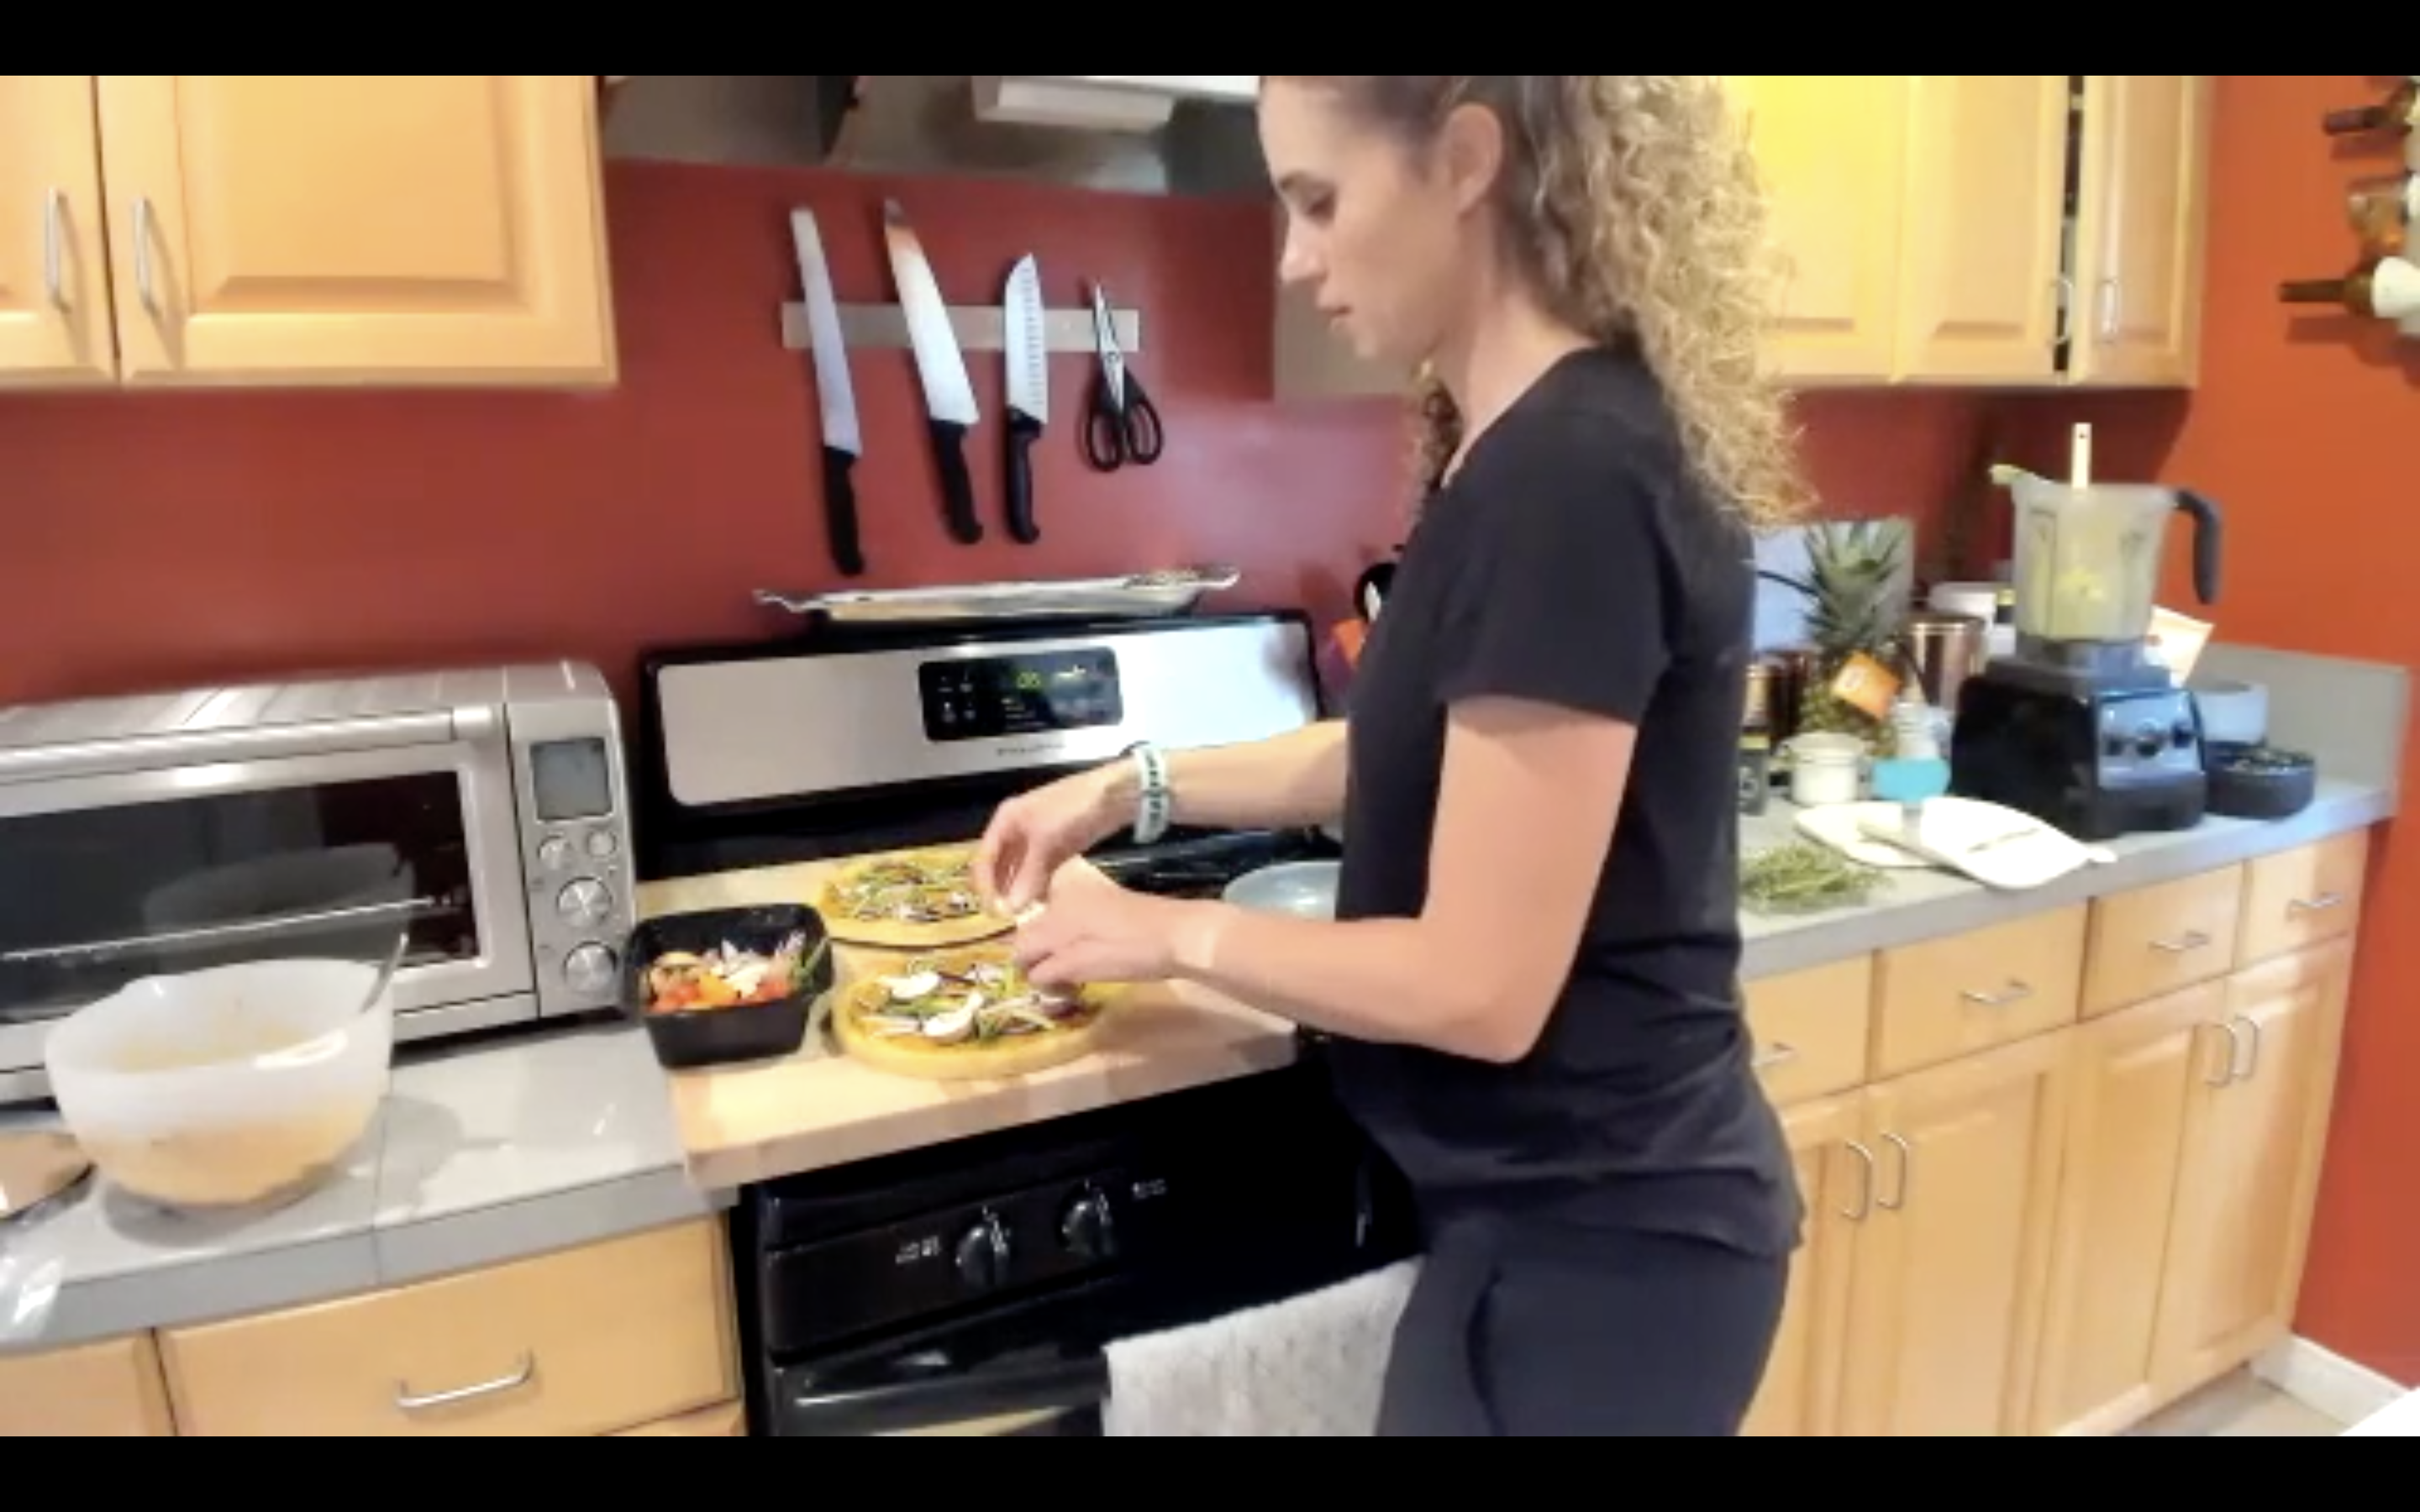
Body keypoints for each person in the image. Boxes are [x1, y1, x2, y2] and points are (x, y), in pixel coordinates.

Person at [972, 76, 1810, 1438]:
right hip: (1557, 1225)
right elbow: (1396, 754)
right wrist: (1131, 787)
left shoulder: (1572, 476)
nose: (1296, 257)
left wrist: (1166, 935)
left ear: (1467, 159)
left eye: (1319, 200)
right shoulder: (1525, 446)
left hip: (1606, 1253)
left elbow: (1479, 988)